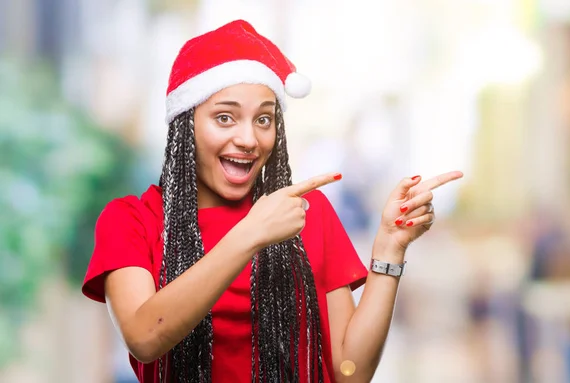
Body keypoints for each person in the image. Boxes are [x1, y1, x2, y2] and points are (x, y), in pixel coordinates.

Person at [81, 19, 463, 383]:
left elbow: (351, 372)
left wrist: (389, 249)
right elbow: (145, 337)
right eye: (225, 118)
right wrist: (251, 233)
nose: (249, 139)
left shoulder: (304, 216)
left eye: (263, 120)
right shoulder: (132, 219)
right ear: (186, 124)